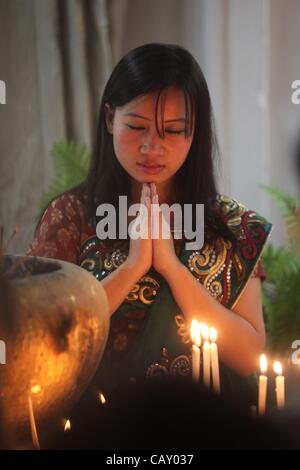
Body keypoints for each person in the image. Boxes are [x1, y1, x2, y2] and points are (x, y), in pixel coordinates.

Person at [26, 43, 272, 410]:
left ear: (195, 132)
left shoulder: (229, 226)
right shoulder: (71, 217)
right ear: (110, 119)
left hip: (204, 423)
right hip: (98, 424)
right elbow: (43, 337)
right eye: (137, 126)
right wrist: (133, 267)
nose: (151, 147)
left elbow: (248, 357)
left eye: (172, 131)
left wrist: (173, 268)